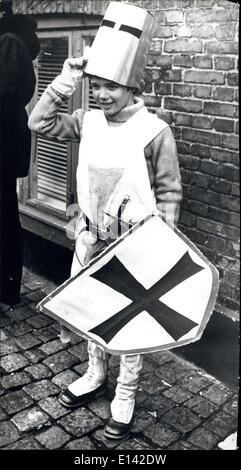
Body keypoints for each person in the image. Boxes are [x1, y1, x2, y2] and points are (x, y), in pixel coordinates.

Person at [28, 2, 182, 440]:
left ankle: (126, 393)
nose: (100, 95)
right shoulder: (87, 121)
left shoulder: (155, 131)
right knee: (94, 311)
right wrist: (69, 76)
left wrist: (163, 246)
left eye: (110, 87)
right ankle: (95, 375)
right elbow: (38, 121)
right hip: (89, 240)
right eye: (96, 85)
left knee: (131, 319)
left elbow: (169, 191)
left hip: (137, 245)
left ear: (132, 86)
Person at [0, 0, 40, 306]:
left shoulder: (9, 42)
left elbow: (8, 94)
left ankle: (5, 290)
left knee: (4, 220)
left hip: (2, 145)